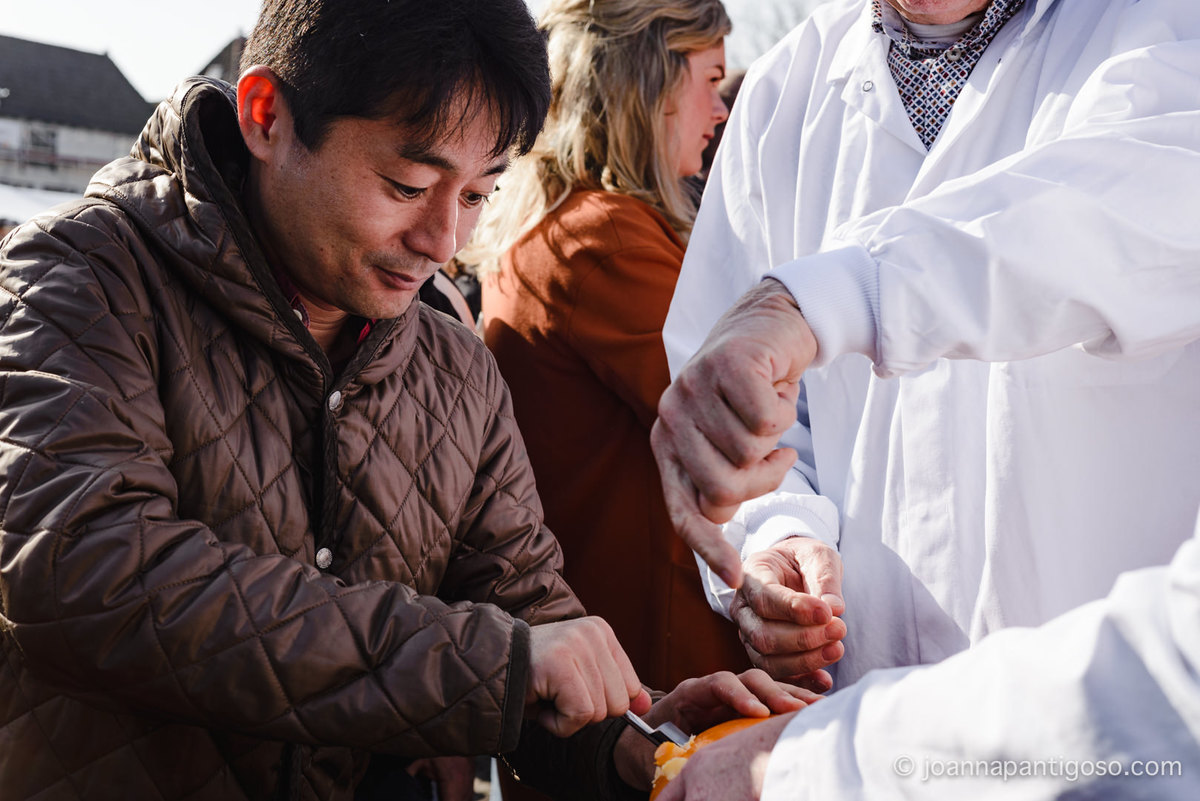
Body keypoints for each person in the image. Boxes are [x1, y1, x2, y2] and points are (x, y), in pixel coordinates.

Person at [0, 1, 818, 799]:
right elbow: (84, 569)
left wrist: (639, 739)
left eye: (475, 196)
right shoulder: (81, 275)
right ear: (265, 115)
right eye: (406, 183)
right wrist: (494, 664)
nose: (443, 242)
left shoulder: (453, 362)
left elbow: (523, 617)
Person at [652, 0, 1200, 706]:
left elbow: (1099, 222)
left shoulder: (1165, 26)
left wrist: (836, 294)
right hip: (869, 724)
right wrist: (779, 534)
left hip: (1117, 730)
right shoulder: (785, 93)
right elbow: (750, 407)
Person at [476, 0, 755, 703]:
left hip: (605, 664)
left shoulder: (564, 229)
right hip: (653, 674)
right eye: (710, 79)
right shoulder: (604, 246)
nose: (718, 111)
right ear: (650, 83)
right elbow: (751, 422)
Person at [655, 505, 1200, 799]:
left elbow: (1174, 681)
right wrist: (781, 524)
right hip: (832, 727)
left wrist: (817, 764)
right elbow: (758, 402)